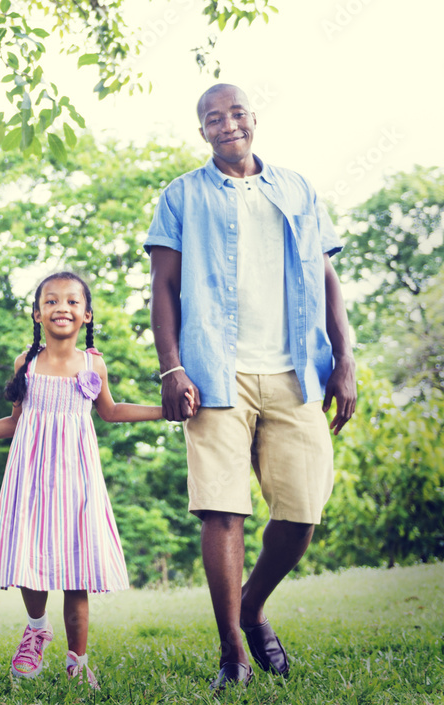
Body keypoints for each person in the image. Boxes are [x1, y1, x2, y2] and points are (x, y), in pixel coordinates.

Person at [145, 83, 357, 692]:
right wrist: (171, 367)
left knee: (302, 511)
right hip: (215, 370)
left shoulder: (296, 188)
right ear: (203, 131)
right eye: (215, 118)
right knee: (222, 508)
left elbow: (326, 277)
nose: (228, 123)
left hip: (296, 369)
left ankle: (251, 605)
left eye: (237, 113)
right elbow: (163, 286)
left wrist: (344, 356)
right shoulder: (181, 196)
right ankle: (232, 649)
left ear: (254, 119)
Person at [0, 272, 195, 690]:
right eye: (51, 301)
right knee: (30, 558)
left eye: (72, 302)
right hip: (30, 477)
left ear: (86, 314)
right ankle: (36, 629)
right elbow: (15, 423)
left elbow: (110, 412)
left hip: (77, 478)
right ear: (37, 313)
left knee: (77, 568)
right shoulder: (27, 363)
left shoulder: (94, 364)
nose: (62, 308)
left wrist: (163, 411)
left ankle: (78, 659)